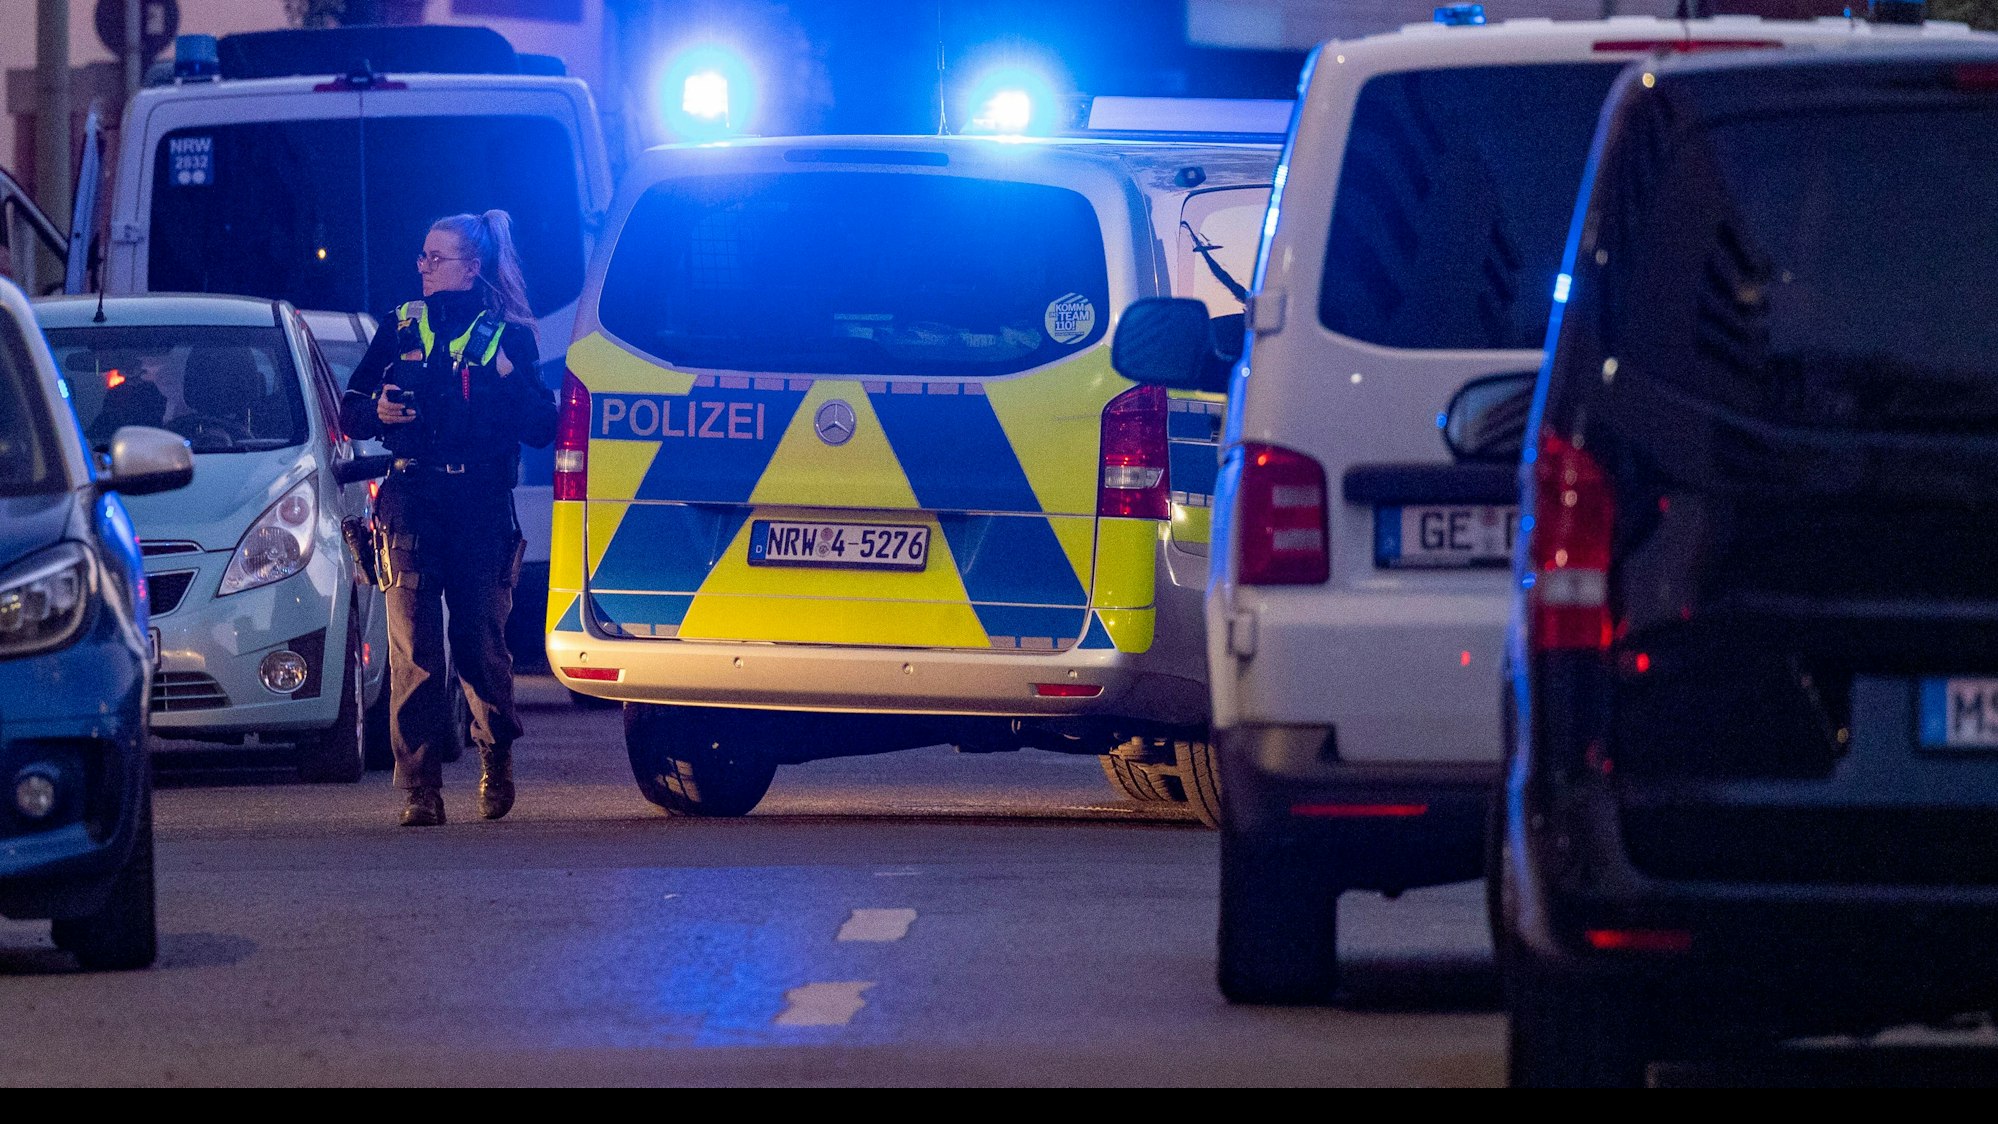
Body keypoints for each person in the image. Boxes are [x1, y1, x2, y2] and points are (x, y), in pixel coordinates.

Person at [341, 211, 557, 827]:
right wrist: (379, 411)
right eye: (422, 256)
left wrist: (512, 382)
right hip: (411, 496)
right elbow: (352, 409)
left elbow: (542, 427)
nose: (424, 267)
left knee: (478, 644)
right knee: (414, 647)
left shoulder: (508, 336)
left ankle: (496, 753)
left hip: (482, 503)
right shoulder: (401, 325)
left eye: (437, 258)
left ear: (472, 267)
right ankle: (419, 788)